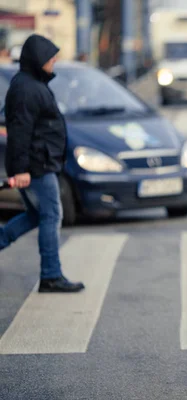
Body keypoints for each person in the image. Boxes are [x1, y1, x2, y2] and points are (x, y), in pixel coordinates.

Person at [0, 34, 85, 293]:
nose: (54, 60)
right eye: (50, 56)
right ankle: (50, 275)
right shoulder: (28, 88)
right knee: (52, 215)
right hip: (38, 166)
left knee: (37, 215)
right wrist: (22, 169)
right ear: (38, 59)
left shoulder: (32, 84)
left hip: (39, 163)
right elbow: (20, 132)